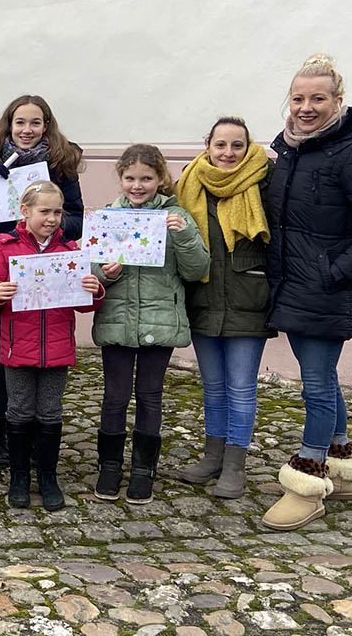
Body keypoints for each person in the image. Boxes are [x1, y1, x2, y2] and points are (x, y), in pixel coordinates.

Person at [261, 54, 352, 531]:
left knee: (315, 384)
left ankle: (307, 480)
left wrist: (334, 273)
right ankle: (343, 465)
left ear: (338, 101)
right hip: (292, 285)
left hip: (322, 287)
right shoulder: (292, 150)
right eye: (298, 98)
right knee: (323, 376)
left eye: (318, 98)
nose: (306, 107)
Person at [0, 181, 104, 511]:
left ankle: (47, 476)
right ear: (25, 211)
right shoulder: (5, 247)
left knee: (49, 413)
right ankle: (19, 477)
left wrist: (94, 289)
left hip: (57, 348)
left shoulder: (70, 251)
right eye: (44, 211)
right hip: (18, 348)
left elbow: (85, 305)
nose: (51, 218)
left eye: (57, 212)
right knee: (18, 412)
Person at [92, 144, 209, 505]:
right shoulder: (109, 216)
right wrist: (106, 273)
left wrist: (183, 235)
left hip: (161, 321)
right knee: (114, 397)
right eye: (130, 178)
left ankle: (144, 469)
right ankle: (109, 465)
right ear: (121, 179)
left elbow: (197, 270)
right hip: (117, 321)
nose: (138, 185)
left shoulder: (177, 217)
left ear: (161, 179)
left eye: (146, 178)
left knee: (149, 395)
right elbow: (93, 272)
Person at [0, 95, 84, 466]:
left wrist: (44, 219)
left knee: (43, 353)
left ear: (46, 126)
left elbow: (77, 220)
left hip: (48, 265)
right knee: (2, 357)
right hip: (6, 262)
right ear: (9, 125)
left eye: (36, 123)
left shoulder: (62, 165)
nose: (27, 130)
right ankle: (0, 435)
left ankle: (37, 433)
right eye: (20, 122)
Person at [175, 117, 274, 499]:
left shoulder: (264, 182)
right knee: (213, 387)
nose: (228, 153)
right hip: (203, 298)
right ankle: (212, 455)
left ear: (248, 148)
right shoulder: (190, 183)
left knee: (242, 388)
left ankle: (235, 465)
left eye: (237, 146)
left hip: (249, 299)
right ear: (208, 147)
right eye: (221, 145)